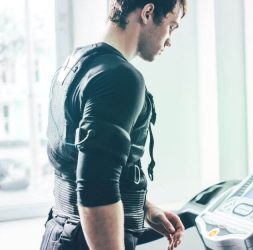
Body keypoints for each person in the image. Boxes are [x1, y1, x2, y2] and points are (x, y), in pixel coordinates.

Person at [40, 0, 187, 249]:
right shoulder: (119, 77)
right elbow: (96, 187)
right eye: (171, 26)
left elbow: (83, 165)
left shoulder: (74, 66)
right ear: (148, 13)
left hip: (61, 233)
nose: (170, 39)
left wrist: (143, 207)